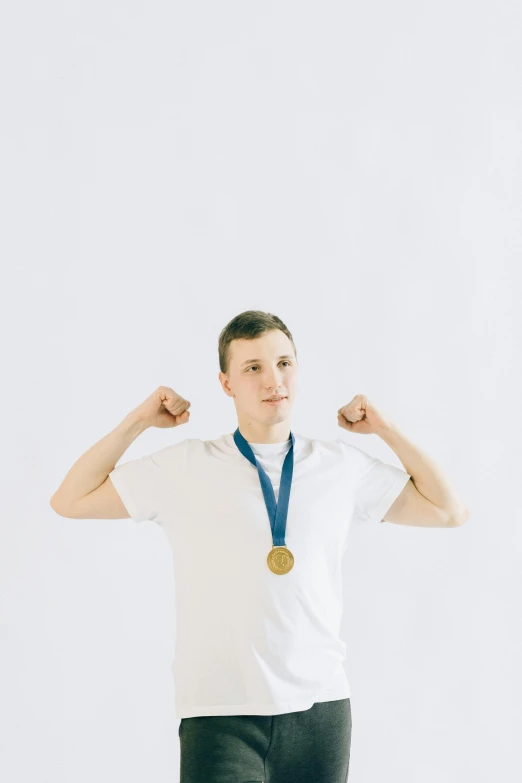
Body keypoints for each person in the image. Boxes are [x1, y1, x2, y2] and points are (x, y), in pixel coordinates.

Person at [50, 310, 469, 783]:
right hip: (221, 713)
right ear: (226, 383)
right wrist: (138, 421)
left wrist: (386, 431)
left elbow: (448, 510)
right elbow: (70, 499)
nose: (274, 380)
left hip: (321, 711)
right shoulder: (186, 466)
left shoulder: (340, 466)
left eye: (284, 363)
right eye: (253, 368)